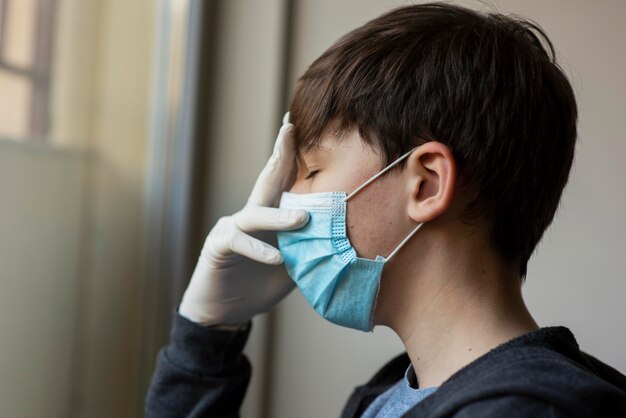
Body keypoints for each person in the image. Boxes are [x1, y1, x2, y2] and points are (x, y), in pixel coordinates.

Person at [145, 3, 626, 417]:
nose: (287, 200)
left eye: (310, 171)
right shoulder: (398, 390)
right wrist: (207, 335)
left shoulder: (523, 410)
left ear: (426, 184)